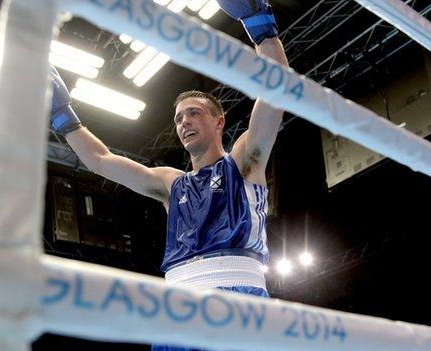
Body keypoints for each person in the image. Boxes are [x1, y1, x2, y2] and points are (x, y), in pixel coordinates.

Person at [49, 1, 288, 349]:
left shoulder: (244, 161)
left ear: (219, 121)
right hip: (176, 308)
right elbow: (100, 160)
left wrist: (259, 24)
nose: (184, 122)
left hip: (239, 300)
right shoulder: (170, 183)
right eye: (178, 118)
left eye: (194, 113)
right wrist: (62, 114)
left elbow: (275, 94)